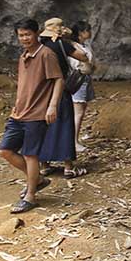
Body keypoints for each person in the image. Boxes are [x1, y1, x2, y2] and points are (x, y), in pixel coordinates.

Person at [0, 19, 63, 214]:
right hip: (19, 113)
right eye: (21, 35)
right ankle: (38, 179)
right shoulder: (24, 56)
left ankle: (30, 197)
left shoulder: (46, 54)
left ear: (37, 34)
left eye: (28, 34)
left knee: (30, 154)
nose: (25, 38)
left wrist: (52, 106)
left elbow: (58, 80)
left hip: (37, 114)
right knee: (5, 150)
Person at [37, 18, 89, 179]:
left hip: (43, 89)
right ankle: (68, 167)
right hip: (60, 87)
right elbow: (83, 57)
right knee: (65, 123)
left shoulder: (40, 46)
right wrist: (70, 42)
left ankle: (44, 165)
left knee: (44, 125)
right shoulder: (62, 44)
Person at [69, 21, 95, 148]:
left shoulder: (84, 45)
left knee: (81, 110)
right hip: (79, 77)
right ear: (81, 33)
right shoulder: (74, 47)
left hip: (85, 78)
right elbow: (79, 61)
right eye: (87, 30)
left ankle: (74, 139)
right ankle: (73, 141)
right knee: (77, 112)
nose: (90, 32)